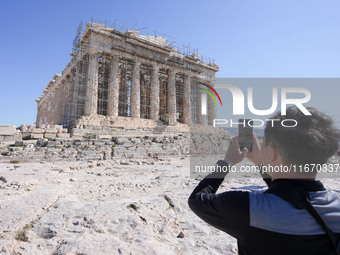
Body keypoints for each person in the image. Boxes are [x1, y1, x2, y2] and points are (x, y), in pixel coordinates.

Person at [188, 107, 340, 255]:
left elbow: (197, 199)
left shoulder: (247, 207)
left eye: (264, 144)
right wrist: (261, 163)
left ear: (272, 152)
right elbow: (290, 193)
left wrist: (227, 162)